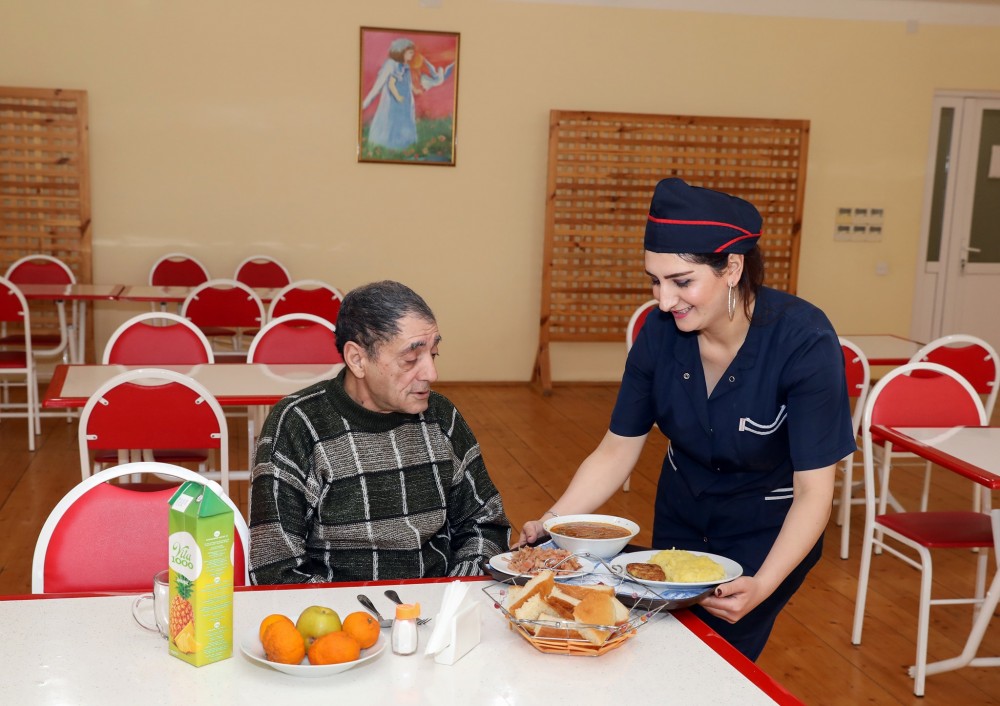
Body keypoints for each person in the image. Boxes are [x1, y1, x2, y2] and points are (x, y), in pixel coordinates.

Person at [519, 178, 856, 661]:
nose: (663, 301)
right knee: (665, 650)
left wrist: (761, 585)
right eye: (655, 281)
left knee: (720, 663)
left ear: (733, 267)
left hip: (767, 532)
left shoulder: (803, 342)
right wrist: (554, 524)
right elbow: (617, 448)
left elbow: (814, 492)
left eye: (682, 282)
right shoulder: (660, 335)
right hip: (682, 514)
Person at [249, 280, 511, 584]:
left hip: (435, 608)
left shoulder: (440, 416)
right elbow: (275, 565)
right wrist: (348, 623)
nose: (431, 373)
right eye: (411, 359)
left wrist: (451, 596)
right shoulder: (298, 424)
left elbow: (485, 523)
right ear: (358, 360)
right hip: (339, 619)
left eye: (434, 354)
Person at [362, 38, 419, 151]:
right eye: (410, 53)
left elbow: (408, 82)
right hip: (394, 100)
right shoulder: (394, 65)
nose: (412, 55)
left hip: (405, 99)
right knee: (392, 120)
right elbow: (391, 84)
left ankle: (404, 142)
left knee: (404, 119)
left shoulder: (405, 66)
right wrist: (397, 96)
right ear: (401, 52)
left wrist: (414, 89)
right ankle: (389, 143)